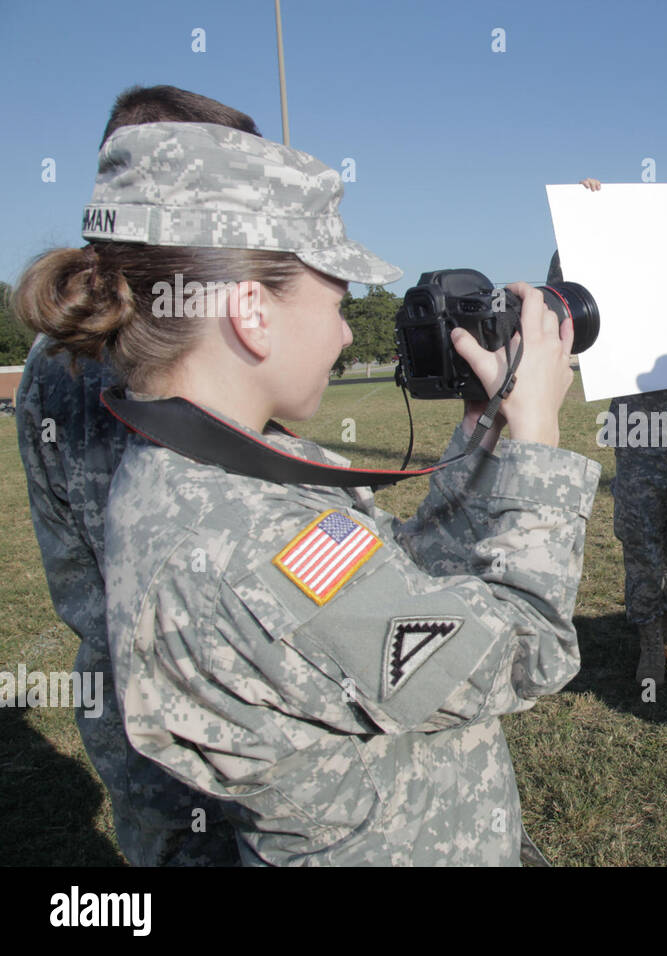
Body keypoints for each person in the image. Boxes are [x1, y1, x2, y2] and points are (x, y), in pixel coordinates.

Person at [15, 120, 598, 865]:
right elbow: (523, 650)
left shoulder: (214, 467)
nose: (348, 335)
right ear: (252, 314)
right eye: (336, 302)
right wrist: (539, 443)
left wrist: (487, 434)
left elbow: (405, 590)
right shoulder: (243, 540)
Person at [14, 85, 268, 866]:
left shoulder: (59, 354)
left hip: (138, 709)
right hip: (215, 712)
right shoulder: (157, 347)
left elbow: (75, 577)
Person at [548, 179, 667, 687]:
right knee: (642, 546)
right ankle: (650, 646)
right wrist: (585, 221)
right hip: (636, 443)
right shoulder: (617, 314)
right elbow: (561, 299)